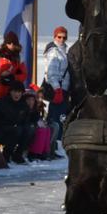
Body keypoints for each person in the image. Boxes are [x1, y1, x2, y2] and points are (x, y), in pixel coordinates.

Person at [0, 79, 36, 164]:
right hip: (1, 131)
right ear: (10, 92)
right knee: (17, 130)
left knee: (29, 129)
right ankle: (6, 155)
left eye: (19, 92)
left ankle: (18, 155)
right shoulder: (3, 103)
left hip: (17, 131)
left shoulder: (23, 105)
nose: (17, 94)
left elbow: (26, 120)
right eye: (15, 91)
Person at [42, 26, 71, 156]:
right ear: (54, 37)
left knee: (60, 118)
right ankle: (53, 146)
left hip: (63, 89)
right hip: (57, 89)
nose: (62, 39)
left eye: (64, 37)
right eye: (59, 37)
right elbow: (51, 72)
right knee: (56, 119)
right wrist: (57, 89)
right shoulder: (54, 52)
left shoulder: (64, 50)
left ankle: (55, 145)